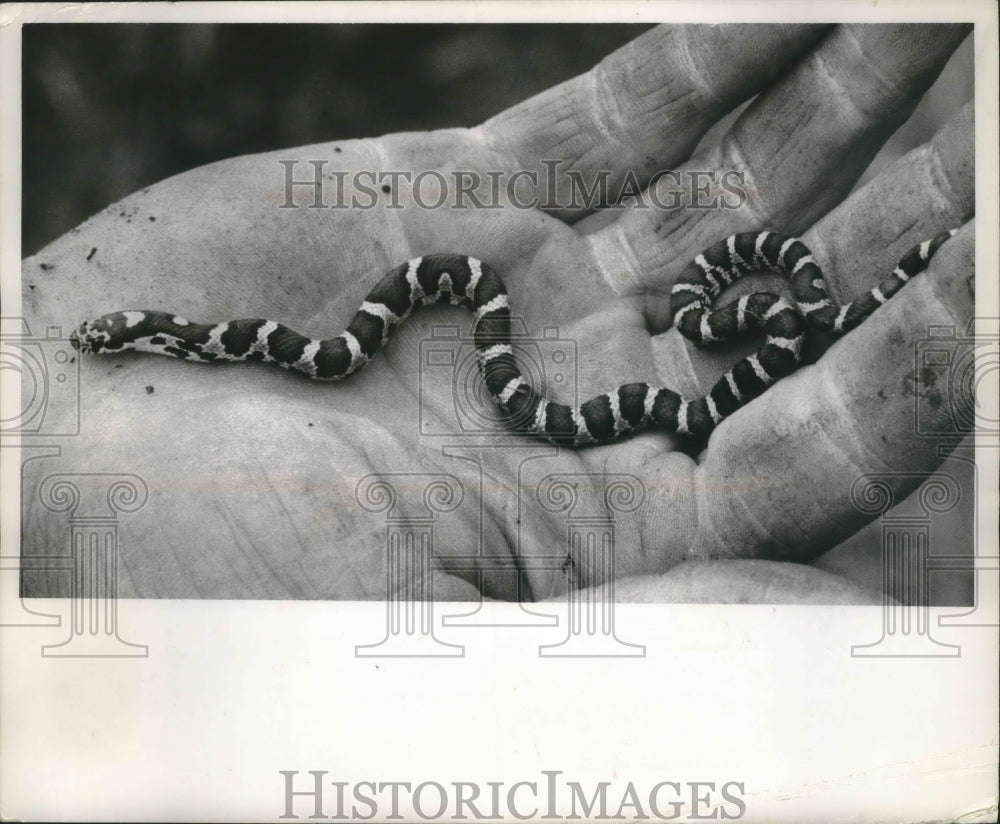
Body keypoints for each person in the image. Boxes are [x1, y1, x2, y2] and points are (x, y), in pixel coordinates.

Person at [21, 23, 974, 602]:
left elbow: (348, 345)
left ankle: (792, 303)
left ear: (148, 336)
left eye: (116, 336)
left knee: (710, 324)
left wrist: (711, 314)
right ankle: (800, 305)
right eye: (116, 339)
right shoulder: (214, 355)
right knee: (723, 335)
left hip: (588, 307)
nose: (114, 346)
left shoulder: (263, 341)